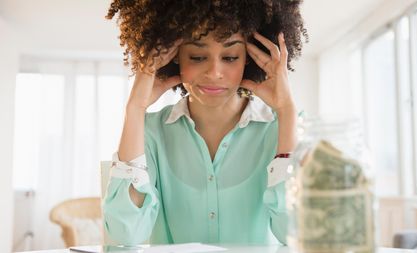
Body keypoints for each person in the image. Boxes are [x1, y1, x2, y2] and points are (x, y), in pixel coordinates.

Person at [103, 0, 308, 246]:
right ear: (174, 55)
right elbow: (126, 235)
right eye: (198, 56)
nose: (214, 72)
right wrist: (135, 108)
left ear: (249, 58)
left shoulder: (285, 128)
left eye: (230, 57)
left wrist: (286, 111)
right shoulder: (150, 132)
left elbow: (296, 232)